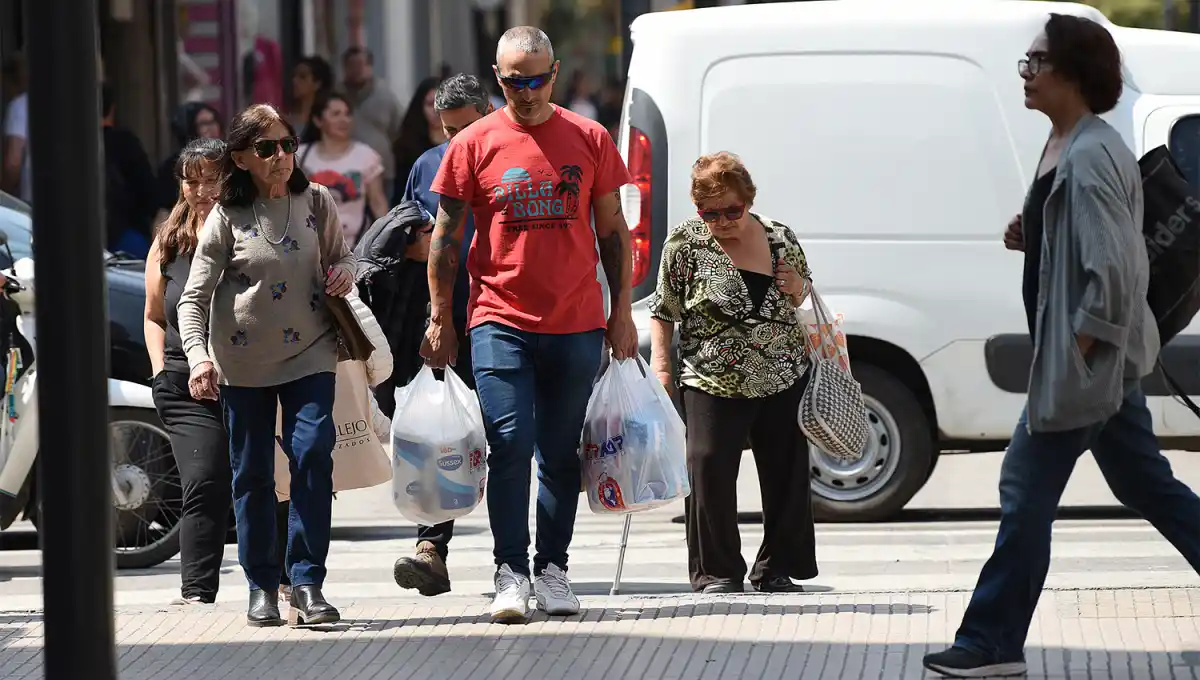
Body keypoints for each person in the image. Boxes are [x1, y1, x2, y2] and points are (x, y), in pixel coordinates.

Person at [923, 15, 1200, 678]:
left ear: (1072, 71)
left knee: (1023, 489)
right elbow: (1083, 244)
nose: (1026, 73)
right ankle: (993, 642)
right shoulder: (1064, 142)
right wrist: (1038, 233)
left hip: (1082, 366)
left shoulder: (1092, 154)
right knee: (1149, 487)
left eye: (1035, 62)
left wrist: (1077, 354)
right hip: (1092, 365)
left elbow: (1116, 272)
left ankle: (990, 643)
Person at [422, 26, 638, 623]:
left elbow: (613, 231)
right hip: (498, 318)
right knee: (510, 445)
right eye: (515, 81)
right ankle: (511, 571)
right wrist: (441, 316)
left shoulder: (589, 137)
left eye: (538, 78)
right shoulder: (474, 142)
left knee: (562, 451)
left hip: (575, 320)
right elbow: (444, 238)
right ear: (499, 79)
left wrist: (621, 312)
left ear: (556, 71)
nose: (527, 90)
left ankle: (553, 569)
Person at [177, 103, 357, 628]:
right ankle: (262, 585)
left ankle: (306, 582)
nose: (280, 155)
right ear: (242, 158)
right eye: (266, 148)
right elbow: (193, 299)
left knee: (313, 455)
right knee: (252, 475)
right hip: (242, 365)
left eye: (286, 143)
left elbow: (341, 257)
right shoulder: (224, 217)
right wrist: (198, 358)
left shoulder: (315, 201)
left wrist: (344, 273)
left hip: (312, 353)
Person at [647, 152, 818, 595]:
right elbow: (663, 312)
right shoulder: (686, 245)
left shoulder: (780, 238)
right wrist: (662, 369)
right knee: (707, 466)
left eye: (731, 211)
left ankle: (775, 567)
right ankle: (718, 570)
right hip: (710, 376)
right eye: (710, 213)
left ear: (749, 199)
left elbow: (803, 296)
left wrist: (797, 287)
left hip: (782, 373)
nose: (720, 220)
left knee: (785, 471)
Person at [390, 73, 493, 598]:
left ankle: (514, 561)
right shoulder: (426, 166)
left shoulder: (511, 154)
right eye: (448, 129)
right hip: (444, 317)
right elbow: (408, 237)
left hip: (503, 318)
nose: (457, 141)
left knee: (507, 438)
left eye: (465, 127)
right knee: (440, 434)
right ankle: (431, 547)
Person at [144, 137, 230, 606]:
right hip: (184, 380)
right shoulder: (169, 240)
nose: (201, 190)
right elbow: (154, 315)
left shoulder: (246, 228)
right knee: (205, 478)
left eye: (211, 179)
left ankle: (284, 584)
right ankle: (197, 593)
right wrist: (160, 372)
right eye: (191, 181)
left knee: (269, 481)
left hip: (249, 374)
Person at [297, 92, 389, 247]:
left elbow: (378, 203)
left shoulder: (366, 156)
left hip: (354, 248)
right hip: (308, 247)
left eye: (347, 114)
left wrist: (389, 237)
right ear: (318, 120)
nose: (344, 120)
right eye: (336, 114)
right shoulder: (299, 156)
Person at [102, 84, 160, 258]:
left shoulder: (70, 147)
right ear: (112, 109)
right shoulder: (125, 143)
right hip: (126, 238)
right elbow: (148, 192)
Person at [342, 47, 403, 200]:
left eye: (360, 65)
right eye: (352, 65)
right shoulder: (337, 96)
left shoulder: (386, 96)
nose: (356, 70)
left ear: (369, 67)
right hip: (344, 171)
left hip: (381, 172)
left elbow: (399, 131)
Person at [155, 102, 224, 216]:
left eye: (213, 121)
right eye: (204, 123)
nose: (211, 128)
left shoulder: (229, 158)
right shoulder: (171, 167)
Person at [390, 77, 445, 202]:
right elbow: (401, 192)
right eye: (430, 104)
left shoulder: (464, 141)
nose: (436, 110)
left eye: (441, 103)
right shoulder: (407, 146)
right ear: (420, 107)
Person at [288, 55, 334, 138]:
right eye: (294, 76)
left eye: (302, 77)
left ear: (317, 83)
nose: (295, 81)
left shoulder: (324, 119)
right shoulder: (286, 118)